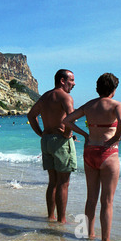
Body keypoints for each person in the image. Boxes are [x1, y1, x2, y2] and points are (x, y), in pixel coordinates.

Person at [63, 73, 121, 241]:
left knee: (91, 198)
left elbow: (67, 120)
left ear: (97, 88)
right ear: (113, 89)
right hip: (109, 154)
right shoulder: (117, 105)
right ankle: (105, 240)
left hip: (90, 151)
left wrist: (85, 134)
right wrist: (115, 138)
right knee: (107, 201)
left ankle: (88, 234)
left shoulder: (89, 105)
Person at [27, 69, 77, 223]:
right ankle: (61, 220)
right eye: (71, 80)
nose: (74, 84)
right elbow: (71, 117)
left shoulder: (45, 97)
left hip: (47, 140)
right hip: (60, 141)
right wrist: (68, 133)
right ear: (62, 80)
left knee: (53, 182)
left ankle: (51, 216)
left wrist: (41, 133)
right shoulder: (65, 97)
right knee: (63, 182)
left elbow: (31, 115)